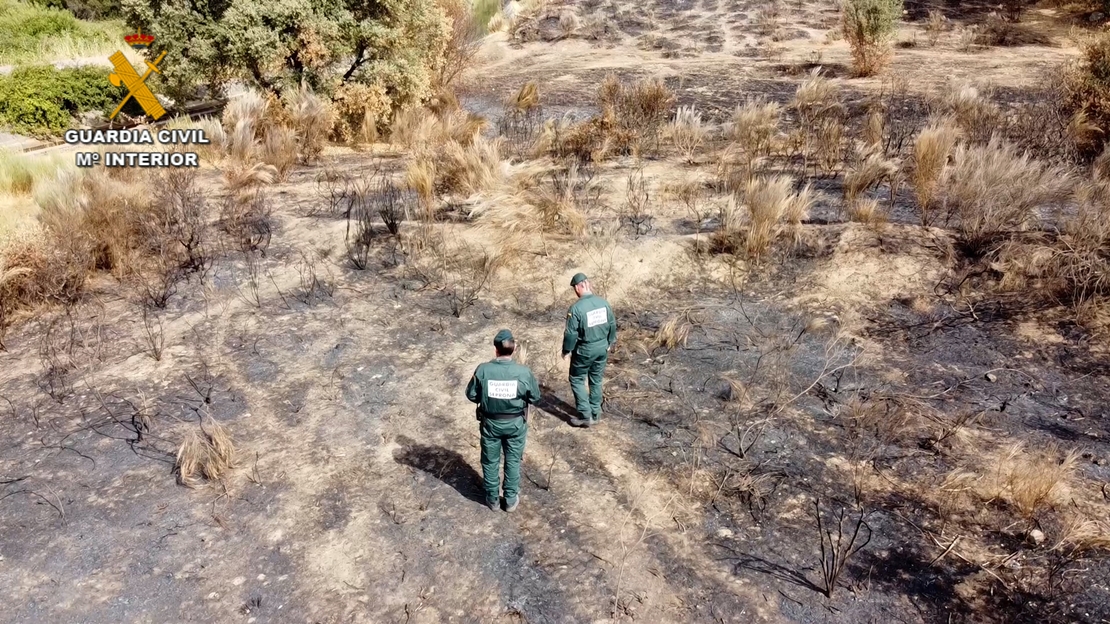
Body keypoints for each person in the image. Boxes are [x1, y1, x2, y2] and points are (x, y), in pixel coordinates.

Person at [465, 329, 540, 512]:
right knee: (513, 460)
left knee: (490, 461)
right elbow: (535, 397)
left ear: (496, 350)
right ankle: (510, 500)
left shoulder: (483, 369)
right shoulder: (524, 372)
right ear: (513, 350)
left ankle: (492, 499)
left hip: (490, 424)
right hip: (516, 425)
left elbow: (471, 394)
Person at [561, 273, 616, 428]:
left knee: (577, 379)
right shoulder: (603, 303)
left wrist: (566, 350)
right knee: (596, 379)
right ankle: (596, 413)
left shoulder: (576, 308)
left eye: (574, 288)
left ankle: (585, 416)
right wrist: (610, 341)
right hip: (602, 348)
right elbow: (612, 324)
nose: (575, 291)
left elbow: (571, 334)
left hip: (585, 350)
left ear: (580, 286)